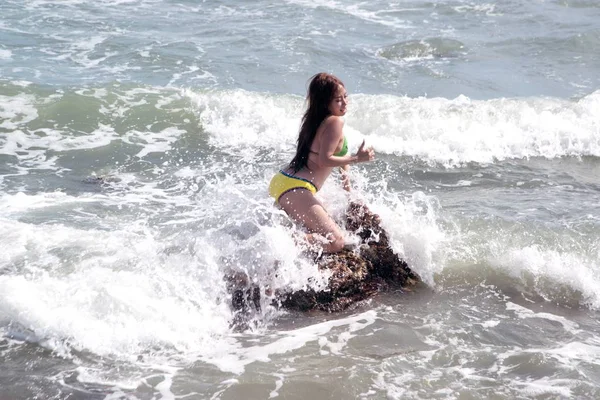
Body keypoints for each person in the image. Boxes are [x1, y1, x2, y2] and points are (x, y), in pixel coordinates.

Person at [268, 72, 375, 253]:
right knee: (336, 242)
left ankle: (282, 238)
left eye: (345, 97)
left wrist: (349, 192)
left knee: (323, 225)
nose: (344, 102)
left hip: (284, 182)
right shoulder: (334, 122)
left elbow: (339, 156)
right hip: (296, 188)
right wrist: (358, 158)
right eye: (337, 100)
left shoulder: (314, 121)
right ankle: (277, 242)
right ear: (325, 102)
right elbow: (325, 159)